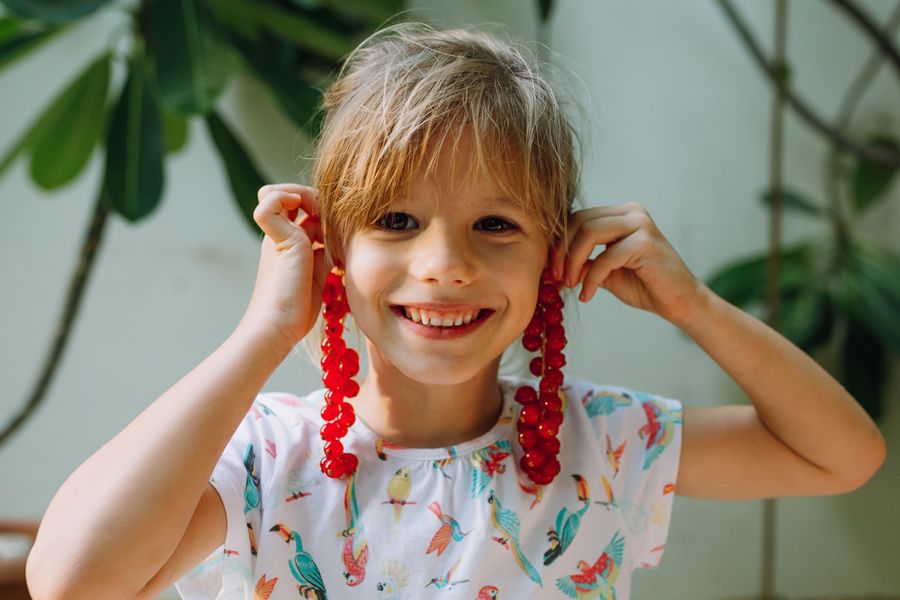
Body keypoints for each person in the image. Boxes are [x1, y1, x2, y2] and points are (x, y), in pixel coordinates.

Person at [27, 22, 886, 600]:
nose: (445, 265)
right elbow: (69, 579)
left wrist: (694, 306)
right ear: (330, 243)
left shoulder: (602, 446)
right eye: (396, 221)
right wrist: (263, 333)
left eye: (496, 224)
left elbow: (840, 455)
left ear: (556, 250)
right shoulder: (260, 463)